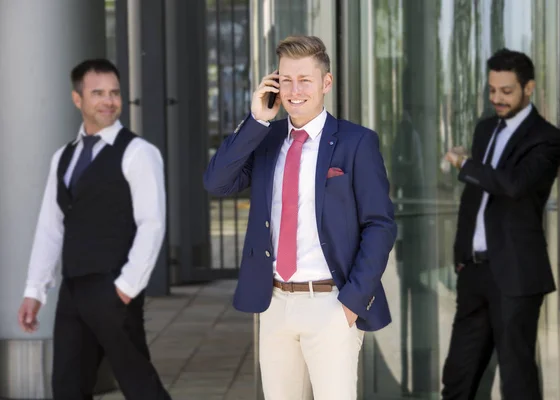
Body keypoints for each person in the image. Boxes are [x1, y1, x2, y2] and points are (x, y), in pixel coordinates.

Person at [203, 35, 396, 400]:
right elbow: (216, 182)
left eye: (305, 80)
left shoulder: (357, 143)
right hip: (274, 303)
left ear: (326, 82)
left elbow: (380, 225)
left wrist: (351, 303)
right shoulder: (265, 139)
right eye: (286, 80)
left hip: (331, 304)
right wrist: (257, 119)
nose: (295, 90)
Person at [17, 59, 172, 400]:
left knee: (139, 385)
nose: (109, 101)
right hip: (73, 291)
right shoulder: (64, 157)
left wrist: (126, 287)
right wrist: (35, 290)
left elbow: (152, 224)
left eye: (114, 93)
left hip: (113, 290)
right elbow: (51, 227)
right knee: (67, 387)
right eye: (98, 93)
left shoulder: (138, 153)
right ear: (78, 99)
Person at [442, 48, 560, 400]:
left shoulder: (547, 137)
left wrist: (465, 165)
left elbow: (514, 185)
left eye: (506, 91)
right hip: (475, 271)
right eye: (492, 90)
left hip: (515, 273)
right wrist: (461, 258)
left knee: (516, 379)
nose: (496, 98)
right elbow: (475, 200)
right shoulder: (485, 130)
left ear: (529, 88)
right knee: (458, 376)